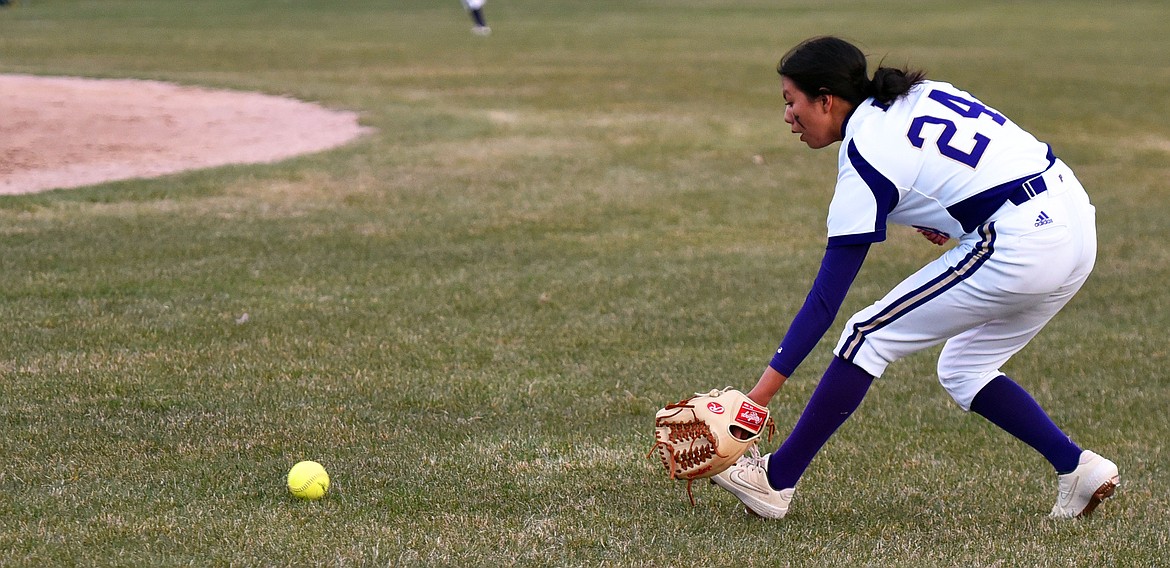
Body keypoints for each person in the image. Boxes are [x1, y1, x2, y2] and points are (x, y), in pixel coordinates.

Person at [712, 36, 1119, 520]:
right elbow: (980, 160)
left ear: (825, 99)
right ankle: (1077, 469)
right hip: (1071, 216)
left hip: (1022, 240)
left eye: (791, 102)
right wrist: (949, 218)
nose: (787, 116)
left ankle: (775, 482)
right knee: (963, 368)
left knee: (865, 335)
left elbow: (825, 301)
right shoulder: (918, 93)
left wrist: (756, 400)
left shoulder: (863, 156)